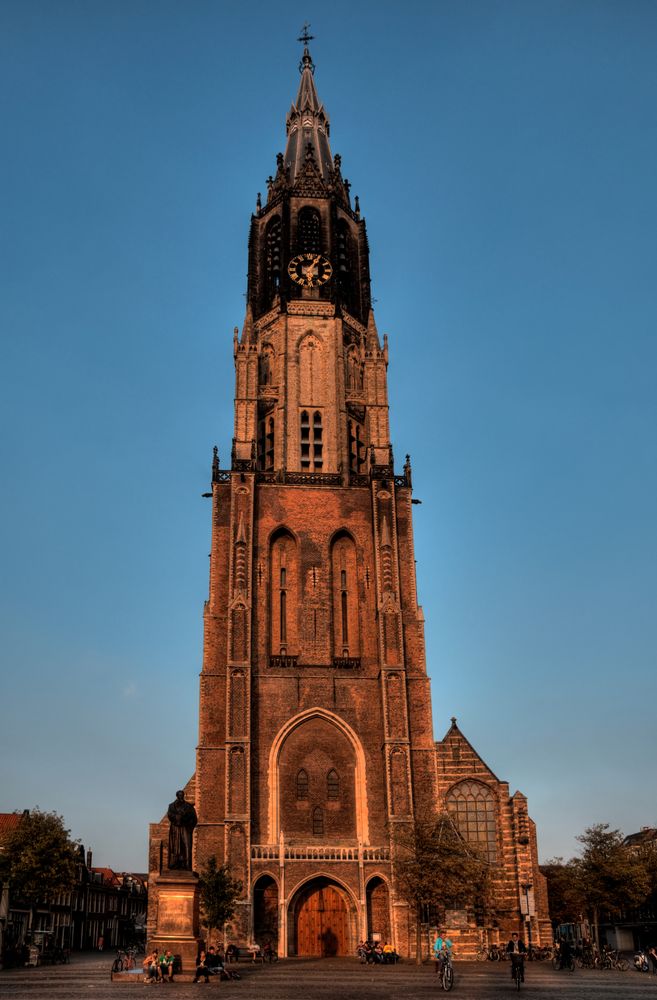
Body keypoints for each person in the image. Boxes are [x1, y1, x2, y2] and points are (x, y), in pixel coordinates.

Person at [167, 790, 198, 870]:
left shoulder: (188, 806)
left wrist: (188, 826)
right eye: (179, 795)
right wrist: (176, 817)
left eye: (182, 795)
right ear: (177, 796)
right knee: (175, 846)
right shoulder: (171, 806)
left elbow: (194, 818)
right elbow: (169, 815)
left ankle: (186, 864)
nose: (181, 796)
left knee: (186, 845)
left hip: (185, 828)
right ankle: (175, 863)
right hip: (175, 828)